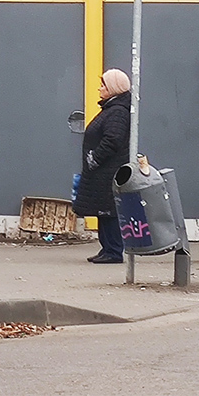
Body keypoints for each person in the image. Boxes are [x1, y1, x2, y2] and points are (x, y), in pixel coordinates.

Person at [74, 69, 132, 263]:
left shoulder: (117, 112)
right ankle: (107, 249)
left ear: (113, 89)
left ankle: (114, 251)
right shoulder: (111, 109)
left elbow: (112, 140)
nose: (100, 88)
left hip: (108, 171)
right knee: (103, 211)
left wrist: (95, 158)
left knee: (110, 211)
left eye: (104, 85)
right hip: (102, 171)